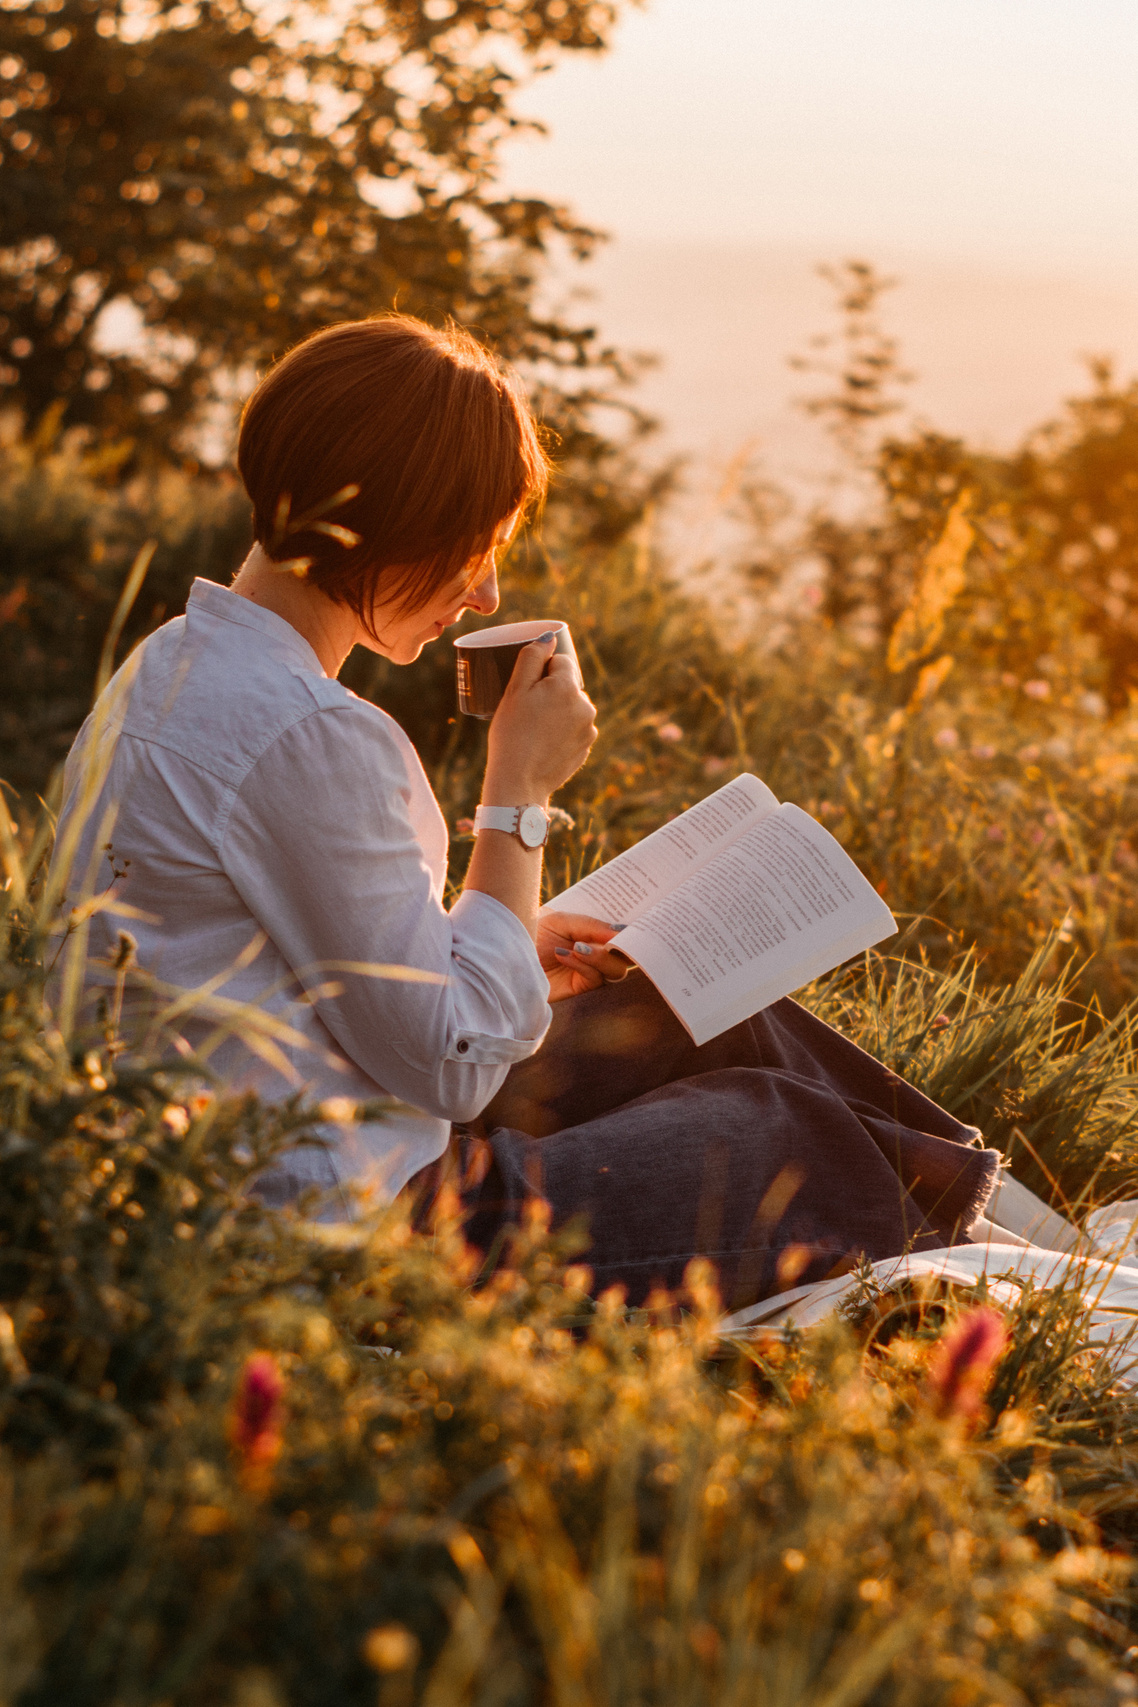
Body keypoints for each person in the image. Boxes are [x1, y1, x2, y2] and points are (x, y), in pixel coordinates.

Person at [50, 314, 1000, 1308]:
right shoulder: (310, 735)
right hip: (346, 1231)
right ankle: (1011, 1276)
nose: (484, 589)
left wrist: (517, 940)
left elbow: (326, 963)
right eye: (473, 549)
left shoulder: (172, 665)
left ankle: (979, 1218)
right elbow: (453, 1066)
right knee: (784, 1133)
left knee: (714, 1019)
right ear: (391, 520)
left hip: (299, 1140)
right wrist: (519, 794)